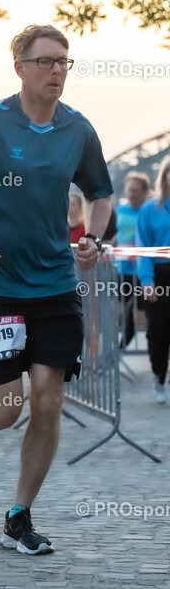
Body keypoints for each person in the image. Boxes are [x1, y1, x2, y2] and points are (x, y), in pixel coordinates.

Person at [0, 24, 113, 555]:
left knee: (49, 400)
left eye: (64, 62)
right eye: (47, 61)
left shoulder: (77, 129)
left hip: (56, 284)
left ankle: (19, 514)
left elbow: (100, 192)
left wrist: (93, 239)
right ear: (20, 67)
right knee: (6, 407)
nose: (57, 70)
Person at [138, 157, 170, 404]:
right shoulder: (150, 209)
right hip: (159, 275)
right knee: (157, 332)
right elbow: (143, 247)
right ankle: (159, 377)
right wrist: (147, 281)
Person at [116, 172, 150, 349]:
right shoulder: (121, 210)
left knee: (139, 315)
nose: (131, 194)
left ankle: (123, 350)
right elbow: (118, 234)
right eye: (129, 190)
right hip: (123, 268)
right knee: (118, 312)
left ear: (145, 192)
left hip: (144, 269)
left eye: (135, 191)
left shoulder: (149, 210)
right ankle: (114, 351)